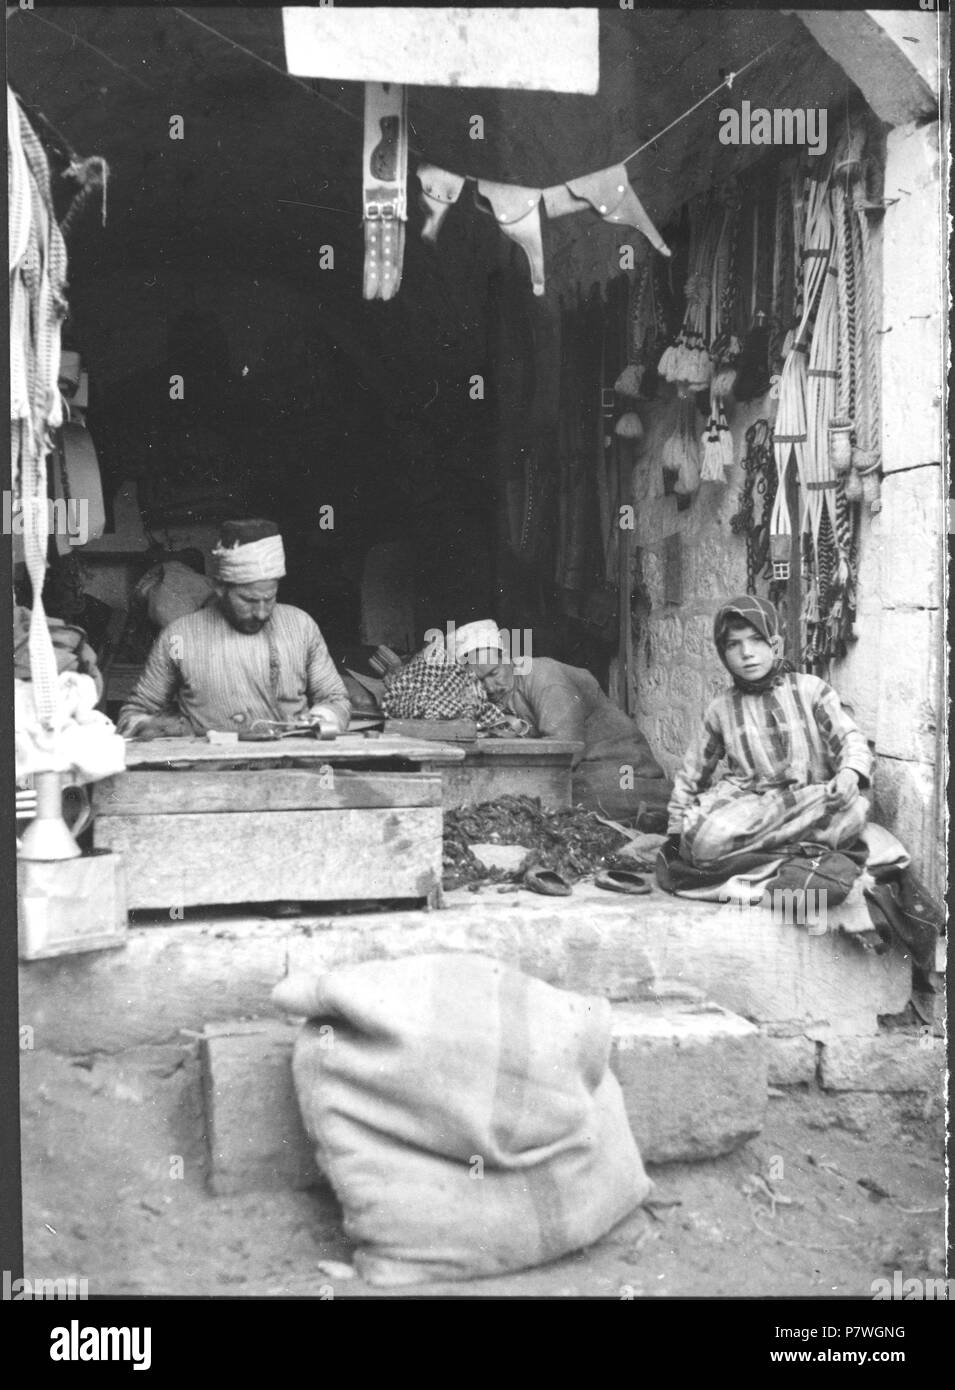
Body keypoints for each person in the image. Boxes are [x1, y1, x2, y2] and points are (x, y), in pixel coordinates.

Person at [665, 594, 871, 869]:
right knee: (703, 839)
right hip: (752, 805)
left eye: (756, 640)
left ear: (775, 644)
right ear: (723, 654)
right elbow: (692, 773)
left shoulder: (811, 690)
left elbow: (850, 740)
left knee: (853, 812)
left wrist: (848, 775)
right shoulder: (721, 708)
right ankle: (799, 851)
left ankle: (754, 856)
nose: (746, 653)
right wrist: (677, 827)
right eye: (733, 645)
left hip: (808, 798)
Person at [117, 519, 350, 740]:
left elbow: (335, 699)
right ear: (220, 588)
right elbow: (134, 712)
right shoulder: (180, 636)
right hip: (213, 773)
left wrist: (320, 718)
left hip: (293, 769)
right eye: (247, 600)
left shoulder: (300, 626)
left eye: (269, 598)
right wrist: (150, 726)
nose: (261, 612)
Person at [456, 619, 666, 815]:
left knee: (551, 802)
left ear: (507, 658)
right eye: (480, 681)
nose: (490, 687)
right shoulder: (502, 693)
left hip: (626, 770)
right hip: (586, 771)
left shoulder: (545, 678)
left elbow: (564, 752)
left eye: (494, 673)